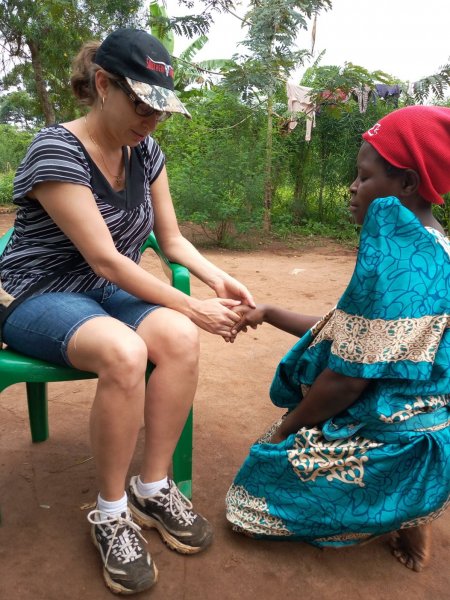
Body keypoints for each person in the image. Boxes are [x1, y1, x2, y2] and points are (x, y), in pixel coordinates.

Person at [0, 28, 254, 595]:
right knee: (125, 351)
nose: (151, 119)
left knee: (180, 340)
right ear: (102, 84)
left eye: (160, 109)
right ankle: (111, 511)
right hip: (38, 293)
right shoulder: (56, 149)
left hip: (102, 291)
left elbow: (171, 240)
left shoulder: (146, 151)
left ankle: (152, 486)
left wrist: (219, 279)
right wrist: (193, 304)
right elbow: (107, 259)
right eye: (141, 104)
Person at [226, 105, 450, 573]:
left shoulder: (396, 265)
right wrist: (266, 312)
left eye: (364, 177)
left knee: (248, 506)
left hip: (399, 441)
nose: (353, 187)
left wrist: (286, 430)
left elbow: (347, 381)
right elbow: (344, 334)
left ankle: (403, 505)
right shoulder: (430, 246)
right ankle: (407, 498)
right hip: (424, 427)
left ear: (407, 184)